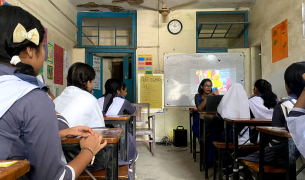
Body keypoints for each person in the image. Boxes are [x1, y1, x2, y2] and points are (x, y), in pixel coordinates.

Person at [0, 5, 106, 180]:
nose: (43, 55)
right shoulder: (33, 99)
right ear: (28, 51)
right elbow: (54, 177)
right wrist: (89, 150)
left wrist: (59, 133)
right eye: (42, 48)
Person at [235, 62, 305, 179]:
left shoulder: (282, 104)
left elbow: (275, 141)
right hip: (299, 157)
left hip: (290, 155)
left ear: (289, 85)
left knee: (243, 160)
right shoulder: (274, 99)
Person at [54, 62, 105, 128]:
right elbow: (99, 129)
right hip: (78, 138)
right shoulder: (90, 100)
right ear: (88, 82)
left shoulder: (56, 100)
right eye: (93, 81)